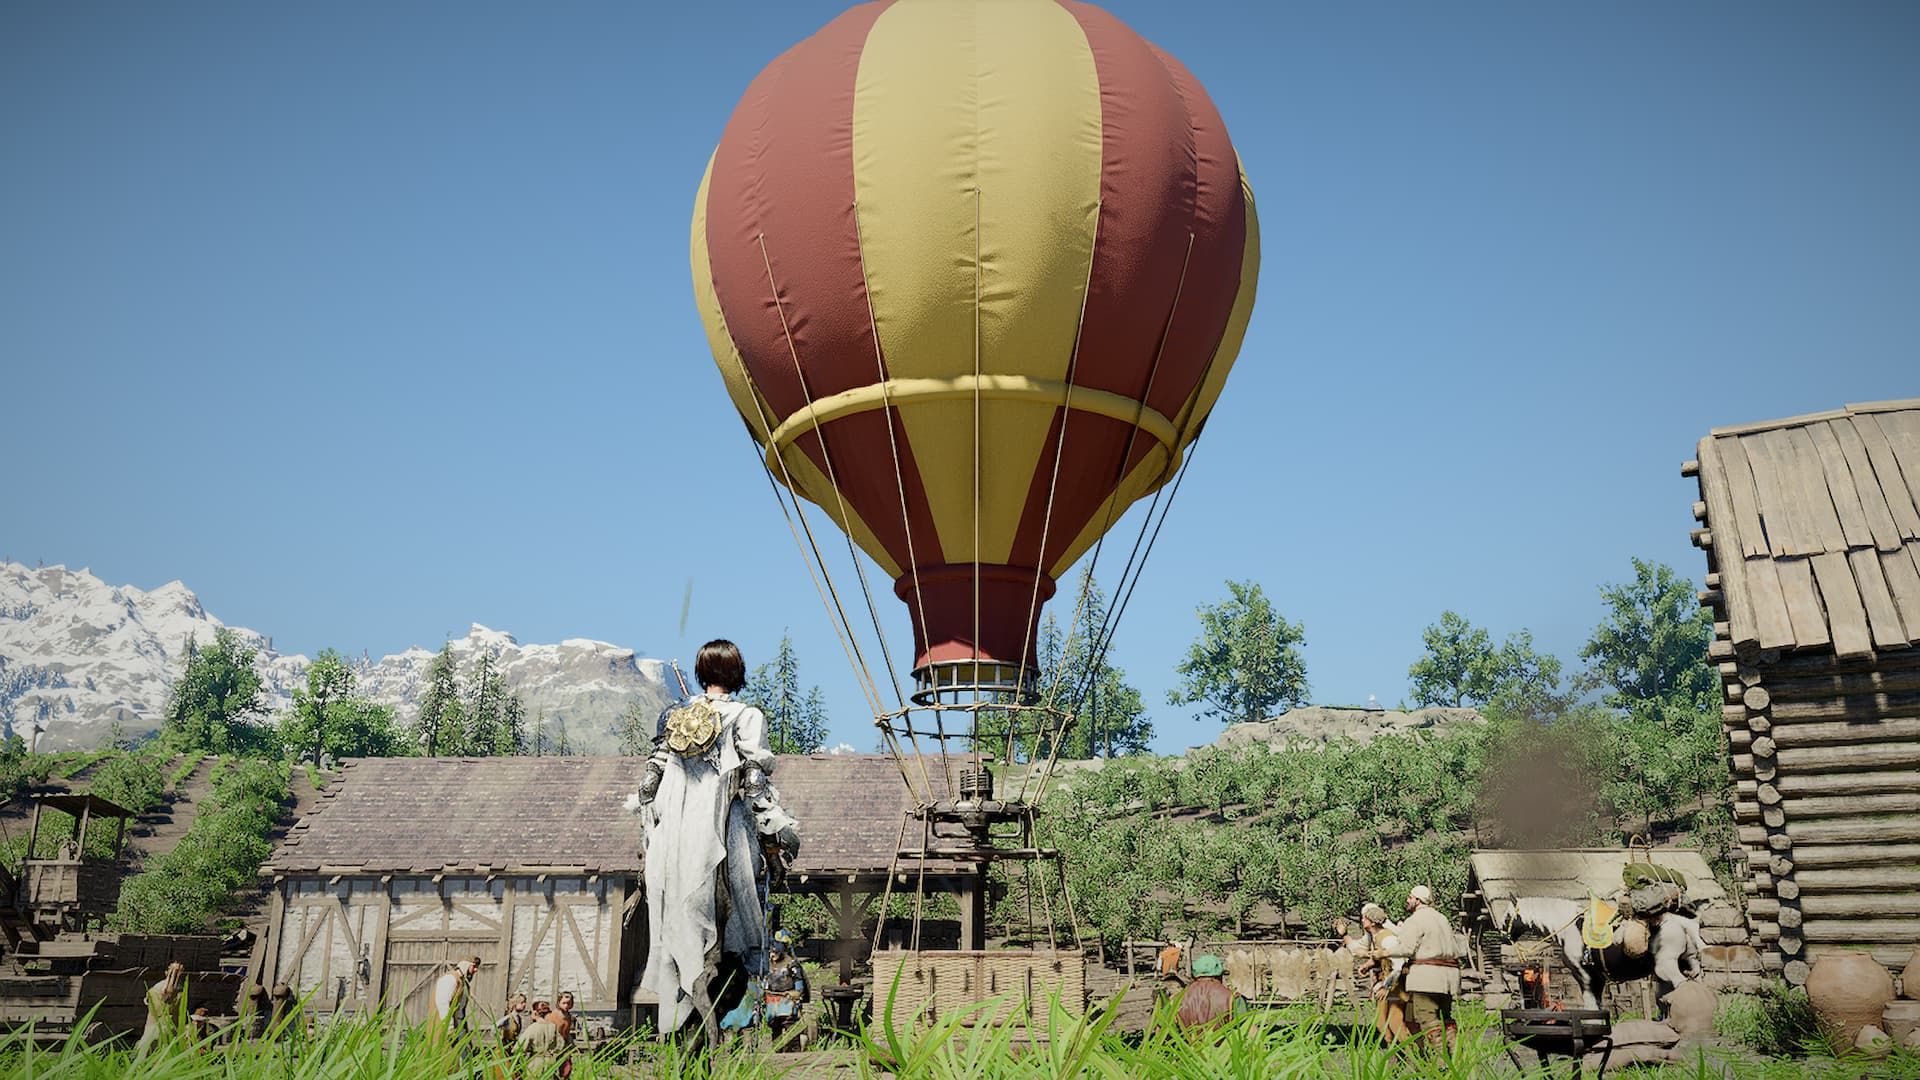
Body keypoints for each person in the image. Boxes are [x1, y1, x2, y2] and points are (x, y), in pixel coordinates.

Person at [636, 639, 801, 1037]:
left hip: (675, 840)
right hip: (724, 832)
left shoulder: (675, 715)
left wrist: (651, 841)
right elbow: (755, 781)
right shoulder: (746, 716)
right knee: (743, 923)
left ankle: (686, 1020)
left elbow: (649, 785)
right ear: (737, 674)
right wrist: (777, 836)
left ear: (701, 674)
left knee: (676, 924)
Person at [1382, 885, 1462, 1049]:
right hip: (1448, 977)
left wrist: (1383, 953)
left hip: (1427, 978)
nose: (1408, 900)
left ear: (1418, 900)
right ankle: (1455, 1055)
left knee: (1427, 1018)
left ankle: (1441, 1059)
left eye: (1410, 897)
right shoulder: (1442, 918)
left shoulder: (1415, 920)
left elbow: (1406, 948)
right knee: (1445, 1018)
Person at [1353, 902, 1412, 1043]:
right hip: (1386, 983)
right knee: (1381, 1023)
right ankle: (1394, 1051)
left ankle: (1412, 1052)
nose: (1362, 920)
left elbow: (1398, 965)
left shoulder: (1388, 939)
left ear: (1373, 922)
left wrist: (1387, 986)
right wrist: (1368, 965)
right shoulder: (1375, 937)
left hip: (1396, 986)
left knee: (1395, 1021)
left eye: (1365, 918)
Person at [1175, 954, 1247, 1027]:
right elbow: (1246, 1027)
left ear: (1195, 975)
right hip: (1223, 1034)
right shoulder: (1232, 998)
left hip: (1186, 1035)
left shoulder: (1177, 999)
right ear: (1220, 975)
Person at [764, 930, 809, 1043]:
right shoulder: (767, 964)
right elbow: (764, 981)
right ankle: (777, 1050)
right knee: (775, 1030)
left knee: (791, 1029)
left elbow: (799, 984)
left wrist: (796, 994)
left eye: (776, 951)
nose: (773, 954)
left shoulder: (792, 964)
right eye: (771, 951)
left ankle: (793, 1049)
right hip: (772, 1003)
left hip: (788, 1001)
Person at [136, 961, 187, 1055]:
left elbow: (148, 1002)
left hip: (153, 1027)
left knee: (144, 1052)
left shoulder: (155, 989)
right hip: (171, 1029)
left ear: (166, 972)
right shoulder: (181, 991)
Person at [430, 955, 480, 1043]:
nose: (476, 970)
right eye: (474, 966)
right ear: (465, 965)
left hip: (458, 1026)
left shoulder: (463, 983)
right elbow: (443, 1004)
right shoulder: (450, 979)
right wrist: (449, 1028)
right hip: (444, 1027)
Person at [516, 1001, 568, 1078]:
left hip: (536, 1062)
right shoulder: (553, 1027)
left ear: (535, 1013)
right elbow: (561, 1045)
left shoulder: (533, 1027)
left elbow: (519, 1047)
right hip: (550, 1062)